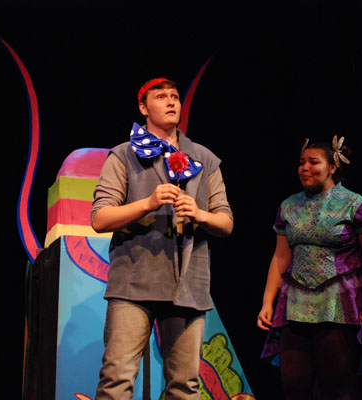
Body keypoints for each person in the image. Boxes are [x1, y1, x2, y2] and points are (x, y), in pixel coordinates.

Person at [91, 77, 233, 399]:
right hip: (134, 282)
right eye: (161, 96)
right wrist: (148, 203)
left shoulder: (205, 158)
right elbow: (100, 218)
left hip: (188, 284)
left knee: (184, 385)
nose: (171, 102)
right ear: (143, 107)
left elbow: (226, 222)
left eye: (175, 96)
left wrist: (199, 213)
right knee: (117, 379)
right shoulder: (123, 155)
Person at [257, 136, 362, 400]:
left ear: (332, 167)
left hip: (337, 305)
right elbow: (280, 257)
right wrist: (267, 301)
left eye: (313, 162)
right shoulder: (289, 205)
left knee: (335, 385)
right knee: (293, 383)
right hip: (295, 304)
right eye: (301, 162)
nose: (305, 167)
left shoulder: (356, 204)